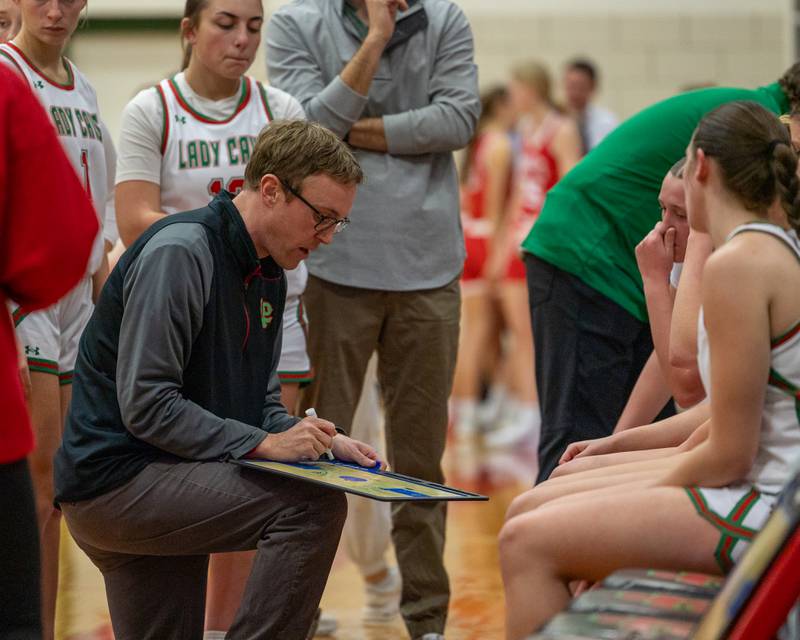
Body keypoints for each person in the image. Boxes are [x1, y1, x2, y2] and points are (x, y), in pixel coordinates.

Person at [53, 120, 382, 640]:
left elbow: (259, 403)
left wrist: (317, 440)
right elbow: (148, 406)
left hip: (162, 474)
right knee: (311, 507)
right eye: (321, 217)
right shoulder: (181, 253)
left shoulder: (269, 268)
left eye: (337, 223)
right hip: (117, 483)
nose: (325, 237)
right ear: (271, 189)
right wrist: (266, 443)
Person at [502, 99, 800, 638]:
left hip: (771, 506)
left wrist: (640, 495)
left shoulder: (739, 264)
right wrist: (619, 448)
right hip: (771, 489)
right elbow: (724, 417)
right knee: (552, 492)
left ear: (702, 167)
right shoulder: (767, 251)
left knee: (525, 540)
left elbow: (729, 450)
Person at [266, 2, 480, 638]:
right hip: (333, 269)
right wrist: (379, 36)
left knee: (421, 462)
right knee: (310, 455)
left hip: (429, 270)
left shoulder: (447, 19)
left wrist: (351, 130)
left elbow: (461, 117)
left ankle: (428, 623)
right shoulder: (293, 22)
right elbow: (307, 126)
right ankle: (294, 615)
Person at [113, 1, 309, 634]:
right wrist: (221, 245)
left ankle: (227, 626)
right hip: (191, 314)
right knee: (203, 467)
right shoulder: (153, 108)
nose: (243, 38)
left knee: (267, 469)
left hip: (274, 306)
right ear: (190, 30)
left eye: (255, 26)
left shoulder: (282, 108)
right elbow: (134, 221)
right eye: (226, 23)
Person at [524, 64, 800, 484]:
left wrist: (625, 469)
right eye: (662, 209)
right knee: (572, 463)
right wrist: (616, 443)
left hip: (762, 484)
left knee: (564, 492)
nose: (663, 226)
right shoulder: (747, 145)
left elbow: (688, 385)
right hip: (585, 254)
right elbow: (680, 382)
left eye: (681, 212)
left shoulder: (739, 252)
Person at [0, 2, 114, 637]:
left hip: (77, 298)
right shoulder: (4, 73)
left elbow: (93, 212)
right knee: (35, 487)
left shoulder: (86, 87)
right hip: (25, 297)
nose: (56, 9)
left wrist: (109, 306)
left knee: (60, 494)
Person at [484, 61, 581, 450]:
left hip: (542, 241)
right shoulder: (523, 131)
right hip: (519, 238)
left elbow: (572, 188)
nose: (512, 97)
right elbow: (515, 195)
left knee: (529, 335)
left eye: (516, 88)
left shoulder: (562, 129)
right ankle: (523, 409)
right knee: (516, 330)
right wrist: (500, 245)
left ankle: (532, 416)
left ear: (532, 89)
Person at [451, 86, 514, 439]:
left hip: (469, 238)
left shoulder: (479, 143)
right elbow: (495, 210)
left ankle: (473, 411)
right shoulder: (500, 145)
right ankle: (468, 412)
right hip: (486, 240)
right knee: (479, 336)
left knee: (484, 335)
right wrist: (498, 252)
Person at [562, 58, 619, 154]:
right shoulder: (555, 121)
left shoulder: (607, 121)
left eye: (580, 87)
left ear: (593, 87)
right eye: (571, 86)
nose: (574, 93)